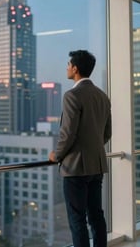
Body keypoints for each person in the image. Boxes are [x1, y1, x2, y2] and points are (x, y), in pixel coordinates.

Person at [49, 50, 112, 247]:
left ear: (75, 68)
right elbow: (107, 133)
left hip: (76, 168)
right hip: (97, 165)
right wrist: (91, 148)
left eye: (68, 64)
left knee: (77, 221)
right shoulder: (102, 96)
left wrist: (56, 155)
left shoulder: (72, 95)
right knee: (96, 216)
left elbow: (67, 134)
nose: (67, 68)